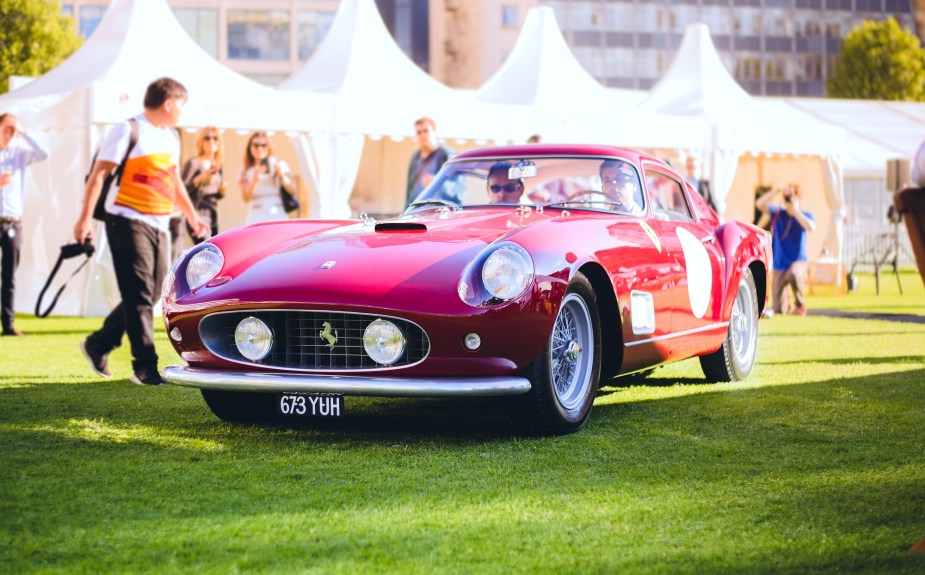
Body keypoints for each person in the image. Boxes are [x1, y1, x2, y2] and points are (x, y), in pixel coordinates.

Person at [74, 77, 208, 386]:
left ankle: (99, 343)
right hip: (125, 219)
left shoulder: (172, 137)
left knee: (149, 294)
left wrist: (192, 217)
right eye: (182, 106)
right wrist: (83, 221)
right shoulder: (127, 129)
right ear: (169, 103)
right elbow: (98, 176)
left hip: (160, 224)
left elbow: (173, 181)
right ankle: (145, 366)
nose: (182, 112)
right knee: (137, 293)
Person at [0, 113, 49, 336]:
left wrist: (23, 132)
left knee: (9, 275)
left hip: (12, 222)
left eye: (12, 130)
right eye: (6, 129)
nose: (9, 134)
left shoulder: (18, 154)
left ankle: (8, 324)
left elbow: (43, 153)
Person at [756, 183, 816, 316]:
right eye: (787, 197)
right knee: (778, 309)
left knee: (794, 273)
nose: (789, 200)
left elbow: (811, 227)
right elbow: (759, 204)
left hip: (797, 261)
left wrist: (796, 211)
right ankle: (786, 304)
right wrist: (777, 190)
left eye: (792, 197)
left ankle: (800, 305)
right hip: (780, 264)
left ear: (798, 198)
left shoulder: (805, 215)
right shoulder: (778, 213)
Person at [239, 131, 296, 224]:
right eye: (256, 145)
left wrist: (282, 176)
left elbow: (294, 190)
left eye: (263, 145)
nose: (260, 148)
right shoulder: (245, 170)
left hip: (278, 215)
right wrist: (255, 179)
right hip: (255, 218)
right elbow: (245, 197)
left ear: (268, 147)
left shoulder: (280, 164)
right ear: (250, 147)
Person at [181, 126, 226, 242]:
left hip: (213, 215)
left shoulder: (217, 165)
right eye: (207, 138)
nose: (211, 141)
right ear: (200, 142)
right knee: (205, 249)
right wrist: (200, 178)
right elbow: (181, 189)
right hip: (197, 213)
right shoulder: (194, 163)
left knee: (212, 251)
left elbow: (215, 195)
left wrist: (222, 191)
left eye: (215, 138)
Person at [405, 117, 452, 207]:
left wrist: (437, 183)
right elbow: (409, 191)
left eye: (426, 131)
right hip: (415, 212)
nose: (422, 135)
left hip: (438, 213)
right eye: (419, 132)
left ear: (434, 132)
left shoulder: (446, 155)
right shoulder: (415, 157)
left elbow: (459, 189)